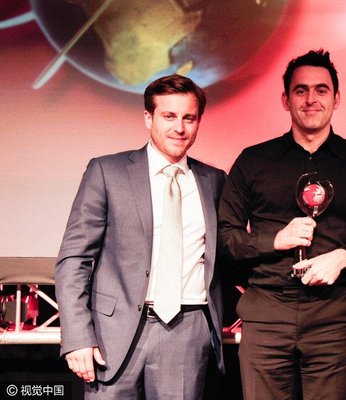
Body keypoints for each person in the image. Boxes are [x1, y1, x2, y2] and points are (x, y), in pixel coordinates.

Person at [218, 49, 346, 400]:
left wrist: (344, 256)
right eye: (301, 90)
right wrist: (274, 240)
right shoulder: (253, 160)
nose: (311, 99)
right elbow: (225, 237)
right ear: (286, 99)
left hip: (334, 317)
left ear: (336, 99)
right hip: (267, 314)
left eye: (321, 90)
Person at [55, 74, 226, 399]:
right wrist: (77, 336)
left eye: (189, 118)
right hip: (112, 335)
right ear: (148, 118)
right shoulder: (108, 172)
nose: (179, 127)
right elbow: (74, 259)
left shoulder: (214, 180)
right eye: (169, 116)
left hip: (186, 332)